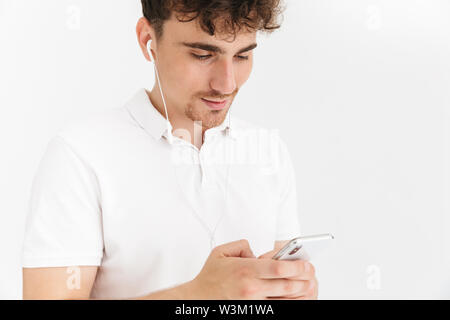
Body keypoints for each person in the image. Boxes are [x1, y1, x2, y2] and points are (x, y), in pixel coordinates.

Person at [22, 0, 318, 299]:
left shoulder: (267, 150)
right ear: (147, 40)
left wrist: (294, 290)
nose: (226, 84)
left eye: (242, 56)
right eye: (202, 55)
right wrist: (196, 295)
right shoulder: (81, 155)